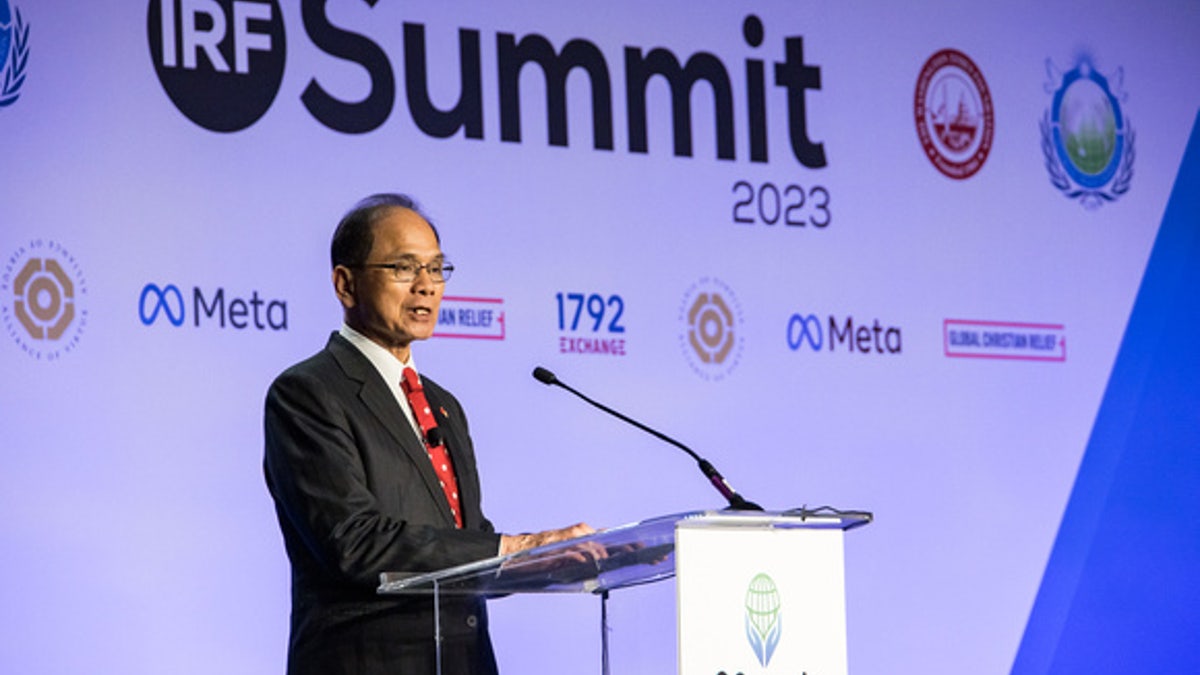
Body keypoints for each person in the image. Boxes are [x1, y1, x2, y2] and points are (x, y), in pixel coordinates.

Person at [264, 193, 593, 675]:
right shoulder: (308, 393)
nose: (426, 286)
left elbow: (464, 542)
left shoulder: (443, 405)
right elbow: (354, 544)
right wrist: (515, 548)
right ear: (345, 284)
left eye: (437, 269)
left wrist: (547, 558)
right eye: (404, 267)